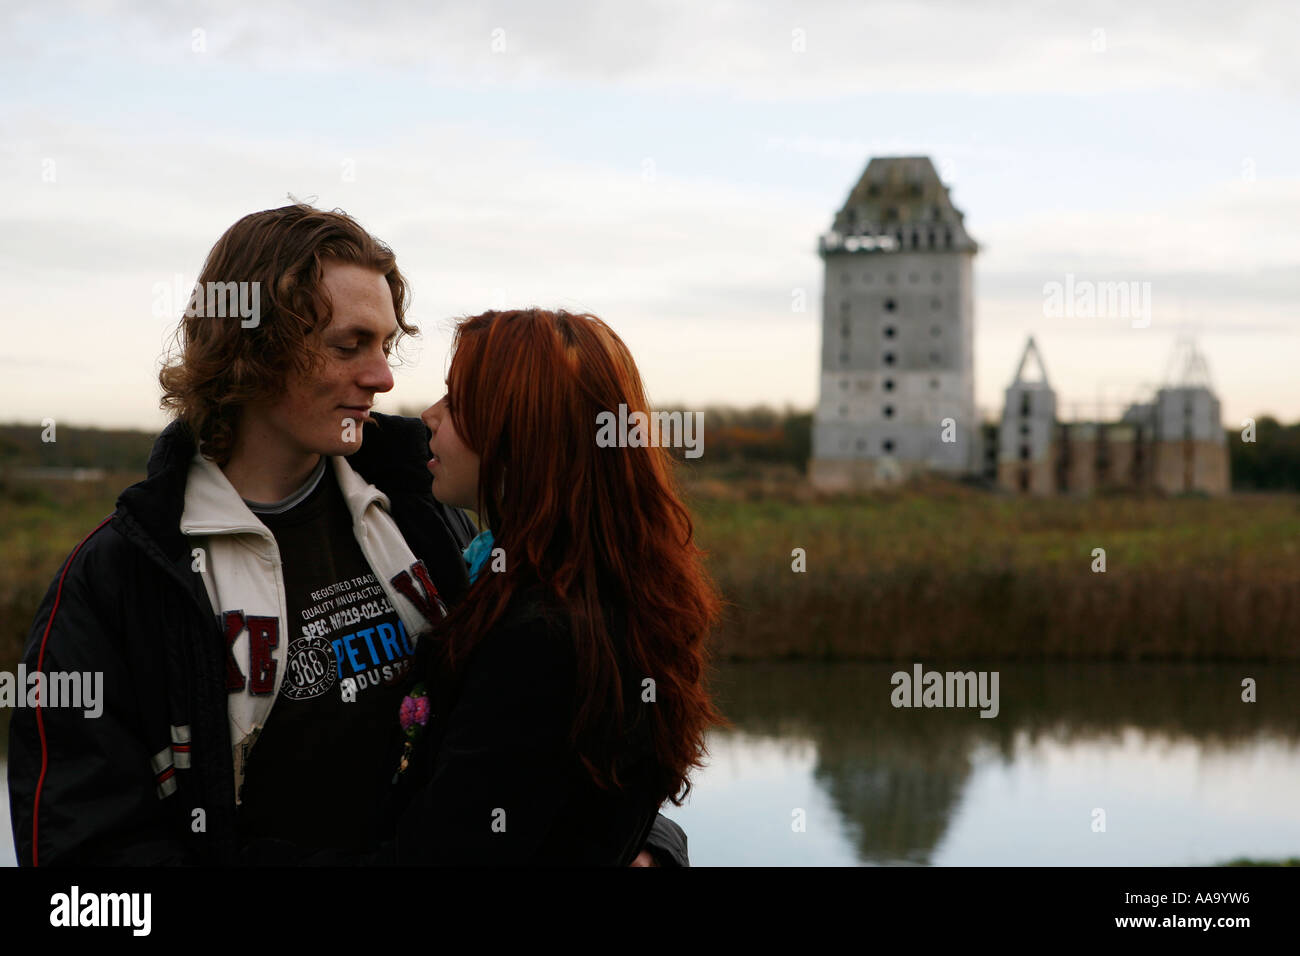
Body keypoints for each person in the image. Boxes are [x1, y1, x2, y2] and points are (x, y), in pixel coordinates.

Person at [7, 205, 686, 866]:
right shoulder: (119, 579)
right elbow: (86, 858)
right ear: (251, 349)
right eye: (349, 345)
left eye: (386, 345)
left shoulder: (423, 513)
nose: (384, 377)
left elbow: (533, 740)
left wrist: (642, 845)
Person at [386, 308, 727, 864]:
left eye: (456, 401)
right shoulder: (605, 583)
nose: (428, 414)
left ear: (522, 434)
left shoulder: (537, 634)